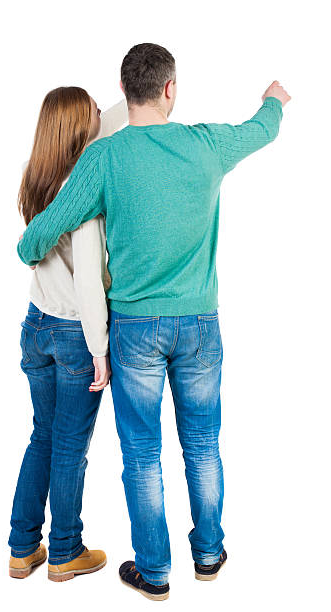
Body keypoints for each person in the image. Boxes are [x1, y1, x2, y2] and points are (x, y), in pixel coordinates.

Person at [17, 44, 291, 600]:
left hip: (134, 332)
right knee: (204, 444)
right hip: (200, 326)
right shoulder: (207, 144)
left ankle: (155, 570)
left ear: (123, 92)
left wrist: (28, 247)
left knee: (142, 455)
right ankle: (209, 554)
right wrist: (274, 102)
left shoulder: (105, 158)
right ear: (171, 89)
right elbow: (261, 130)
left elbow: (49, 229)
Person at [9, 87, 127, 581]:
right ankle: (64, 550)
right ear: (84, 131)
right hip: (73, 332)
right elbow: (86, 281)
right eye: (94, 115)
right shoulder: (80, 191)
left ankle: (21, 548)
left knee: (43, 435)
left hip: (35, 325)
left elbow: (110, 118)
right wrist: (99, 349)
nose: (103, 117)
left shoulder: (38, 178)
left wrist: (128, 93)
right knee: (70, 447)